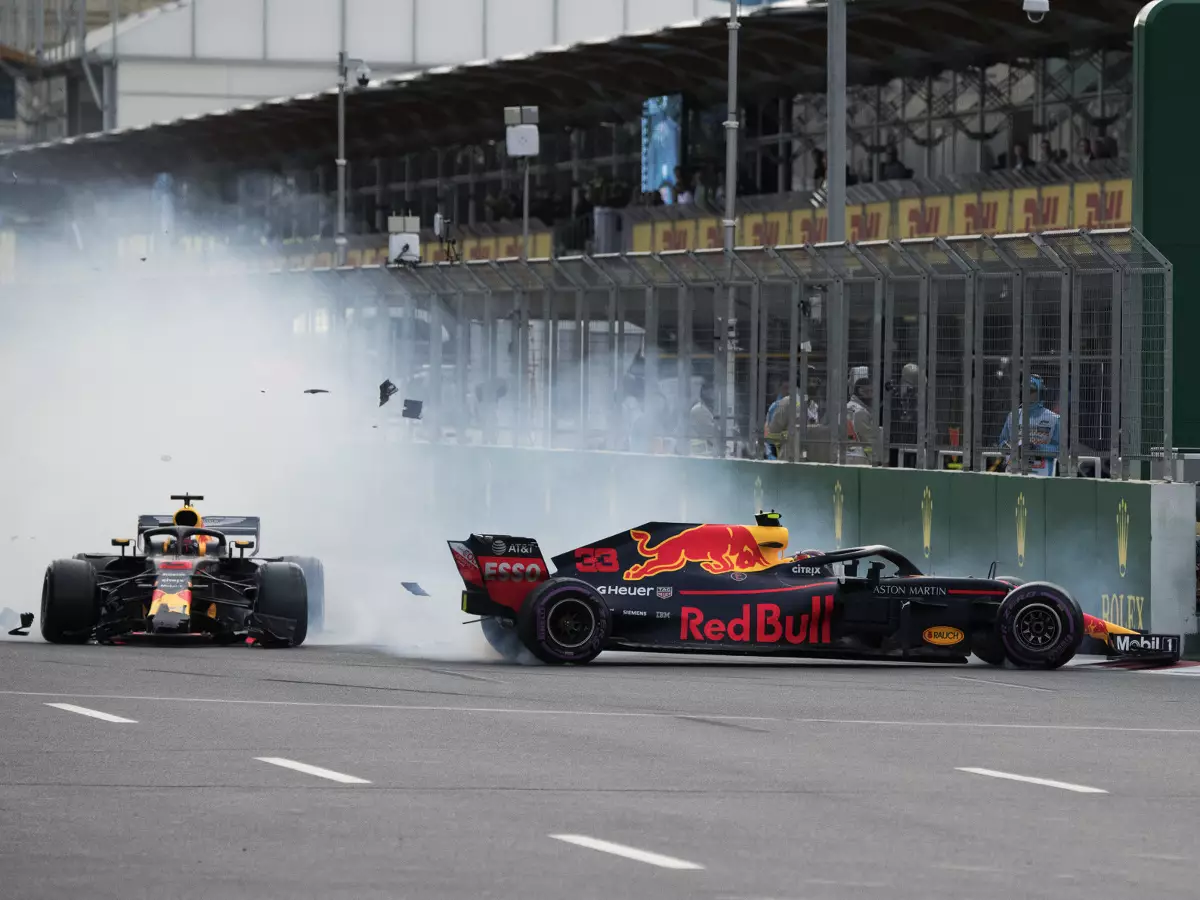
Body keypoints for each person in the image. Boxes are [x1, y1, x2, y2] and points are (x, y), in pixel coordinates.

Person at [998, 374, 1060, 476]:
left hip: (1040, 476)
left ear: (1041, 392)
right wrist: (1012, 448)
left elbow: (1059, 450)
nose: (1027, 394)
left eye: (1032, 391)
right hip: (1013, 474)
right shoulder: (1013, 416)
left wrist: (1036, 447)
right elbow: (1001, 443)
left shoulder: (1054, 419)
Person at [845, 366, 879, 466]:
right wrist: (874, 458)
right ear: (860, 391)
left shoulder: (847, 407)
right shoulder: (861, 412)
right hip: (859, 458)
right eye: (868, 392)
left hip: (845, 455)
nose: (871, 395)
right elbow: (866, 440)